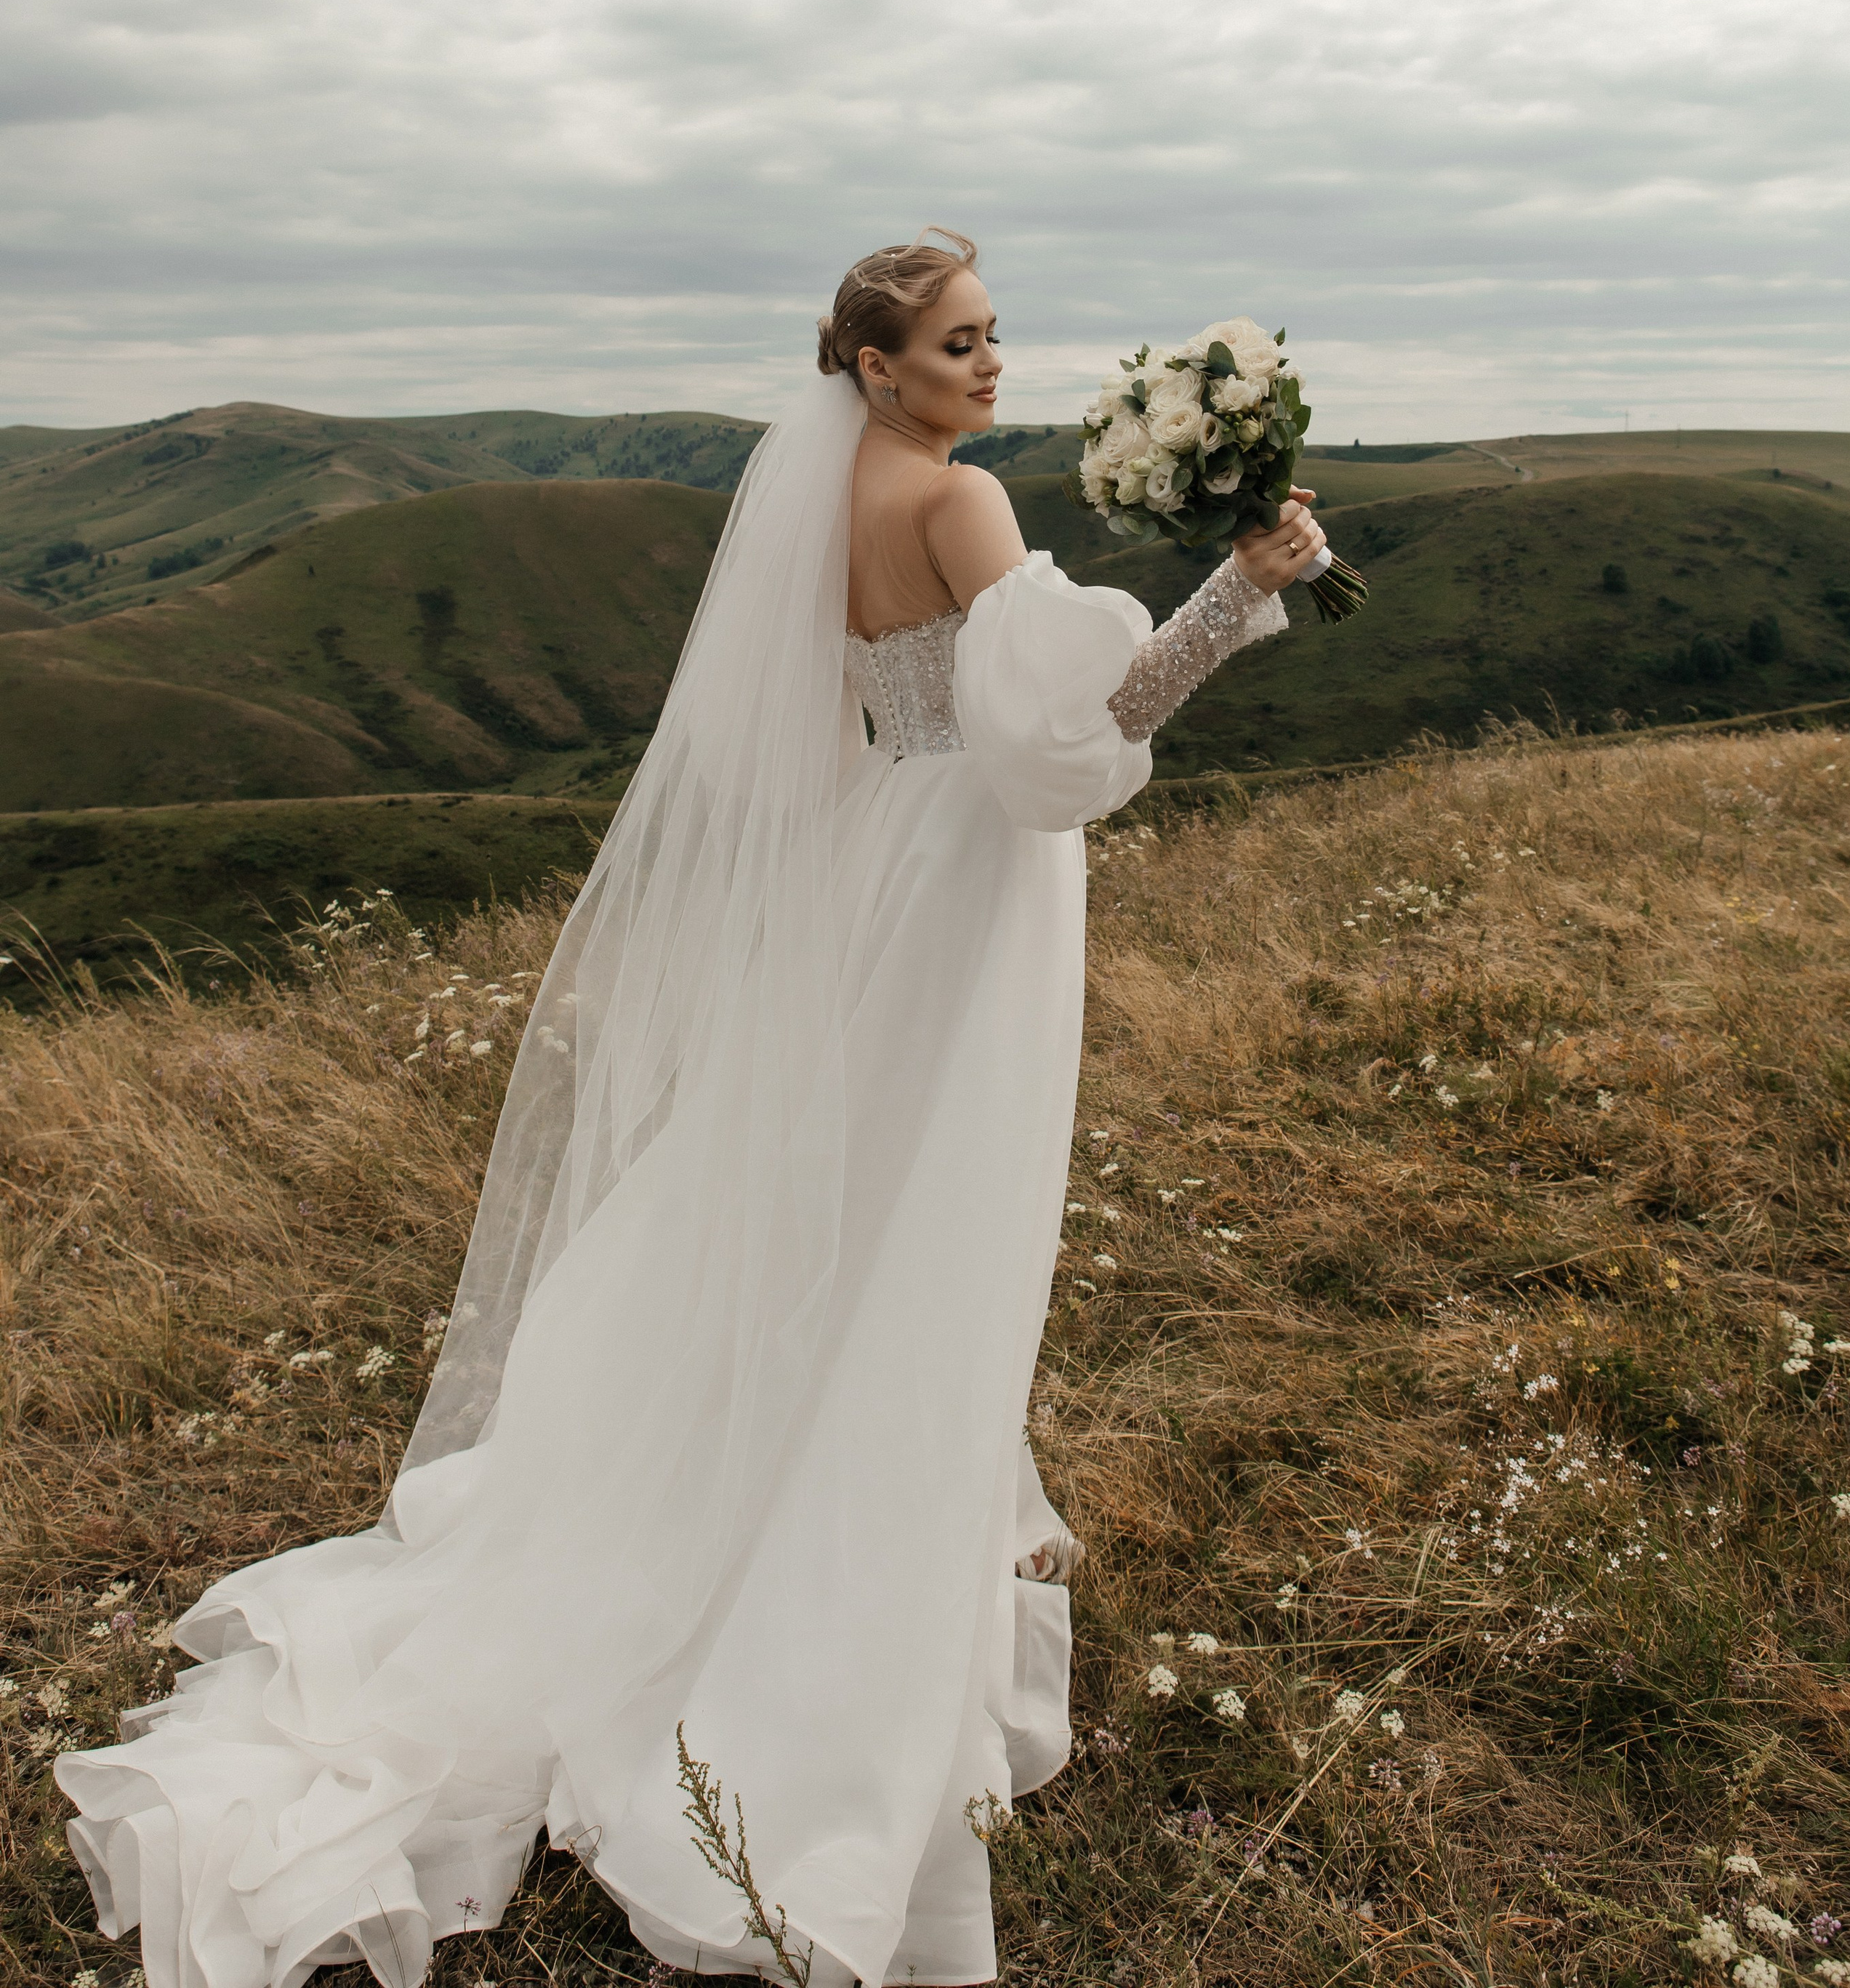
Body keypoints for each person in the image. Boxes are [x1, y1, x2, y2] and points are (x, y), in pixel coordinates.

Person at [57, 230, 1324, 1988]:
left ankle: (772, 1523)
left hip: (882, 859)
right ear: (874, 366)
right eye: (955, 345)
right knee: (921, 1235)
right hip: (963, 887)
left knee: (842, 1218)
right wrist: (1239, 584)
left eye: (992, 338)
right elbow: (1060, 752)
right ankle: (828, 1617)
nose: (986, 369)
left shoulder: (830, 495)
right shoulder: (954, 504)